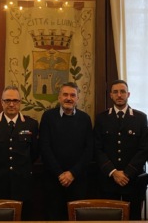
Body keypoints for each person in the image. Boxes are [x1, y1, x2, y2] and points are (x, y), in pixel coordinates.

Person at [0, 86, 39, 220]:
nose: (11, 104)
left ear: (20, 102)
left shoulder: (31, 124)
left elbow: (34, 152)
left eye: (15, 101)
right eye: (7, 101)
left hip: (22, 184)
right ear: (1, 102)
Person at [94, 80, 148, 220]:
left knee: (134, 217)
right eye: (116, 92)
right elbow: (97, 148)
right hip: (108, 180)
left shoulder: (141, 118)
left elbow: (144, 148)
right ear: (111, 95)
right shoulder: (101, 118)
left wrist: (127, 173)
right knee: (109, 218)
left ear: (128, 94)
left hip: (133, 180)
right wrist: (113, 172)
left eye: (123, 91)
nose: (119, 95)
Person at [40, 82, 94, 220]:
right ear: (59, 97)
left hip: (78, 180)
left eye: (72, 95)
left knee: (76, 218)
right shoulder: (48, 117)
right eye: (65, 94)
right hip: (53, 180)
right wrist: (60, 174)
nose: (68, 98)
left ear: (77, 98)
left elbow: (89, 150)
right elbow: (44, 147)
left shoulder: (85, 119)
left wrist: (72, 173)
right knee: (53, 218)